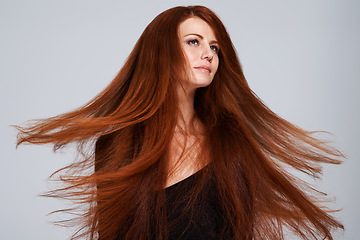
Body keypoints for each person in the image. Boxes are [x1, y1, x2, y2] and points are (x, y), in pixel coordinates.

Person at [15, 5, 344, 240]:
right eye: (194, 42)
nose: (209, 54)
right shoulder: (115, 147)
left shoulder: (231, 144)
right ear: (161, 52)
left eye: (214, 46)